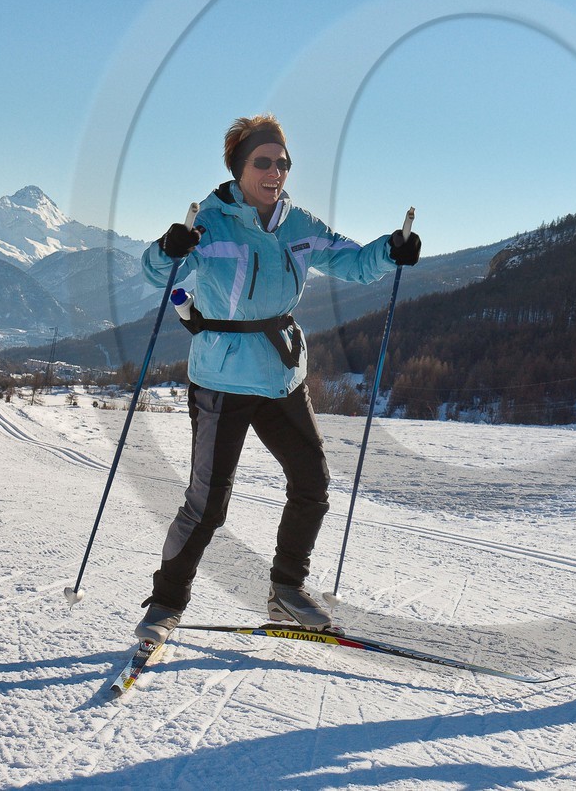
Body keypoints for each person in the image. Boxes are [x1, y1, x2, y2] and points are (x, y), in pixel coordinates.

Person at [134, 114, 421, 644]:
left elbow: (355, 264)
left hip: (282, 375)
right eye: (263, 162)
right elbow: (156, 273)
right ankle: (166, 603)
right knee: (208, 504)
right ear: (239, 167)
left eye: (283, 163)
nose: (275, 172)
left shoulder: (299, 224)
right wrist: (168, 249)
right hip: (222, 378)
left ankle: (287, 590)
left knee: (312, 483)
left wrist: (391, 249)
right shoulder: (211, 222)